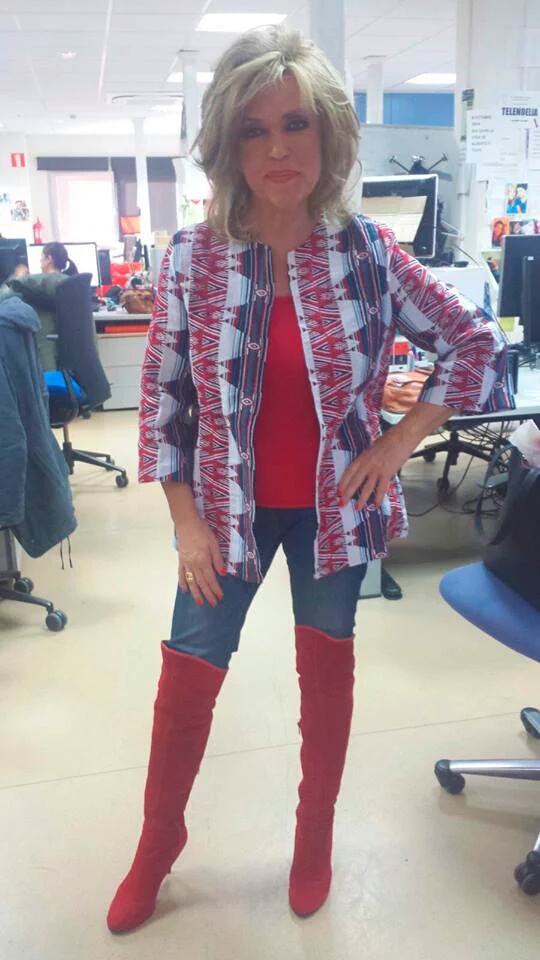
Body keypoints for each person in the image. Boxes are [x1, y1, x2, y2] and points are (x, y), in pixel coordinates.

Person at [107, 26, 513, 934]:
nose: (278, 148)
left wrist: (400, 442)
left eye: (296, 123)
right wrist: (185, 524)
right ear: (228, 145)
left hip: (337, 513)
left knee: (326, 678)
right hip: (224, 515)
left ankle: (315, 834)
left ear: (327, 133)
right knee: (187, 680)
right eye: (254, 129)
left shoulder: (366, 251)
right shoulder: (192, 259)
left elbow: (473, 341)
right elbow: (164, 401)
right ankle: (158, 843)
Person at [4, 242, 78, 370]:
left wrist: (18, 276)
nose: (40, 261)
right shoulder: (71, 282)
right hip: (71, 359)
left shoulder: (34, 283)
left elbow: (4, 297)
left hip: (46, 354)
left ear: (49, 259)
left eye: (41, 257)